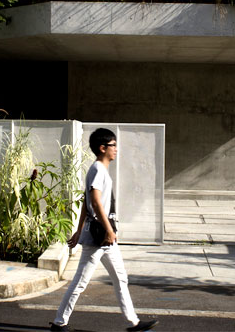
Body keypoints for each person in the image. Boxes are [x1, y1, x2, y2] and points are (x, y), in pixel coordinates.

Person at [50, 128, 157, 332]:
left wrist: (78, 229)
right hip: (99, 238)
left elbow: (85, 201)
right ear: (102, 148)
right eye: (113, 145)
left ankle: (133, 322)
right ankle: (59, 323)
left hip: (104, 238)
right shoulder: (98, 169)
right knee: (80, 282)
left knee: (120, 278)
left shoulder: (98, 170)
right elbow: (95, 201)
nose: (116, 149)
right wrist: (108, 230)